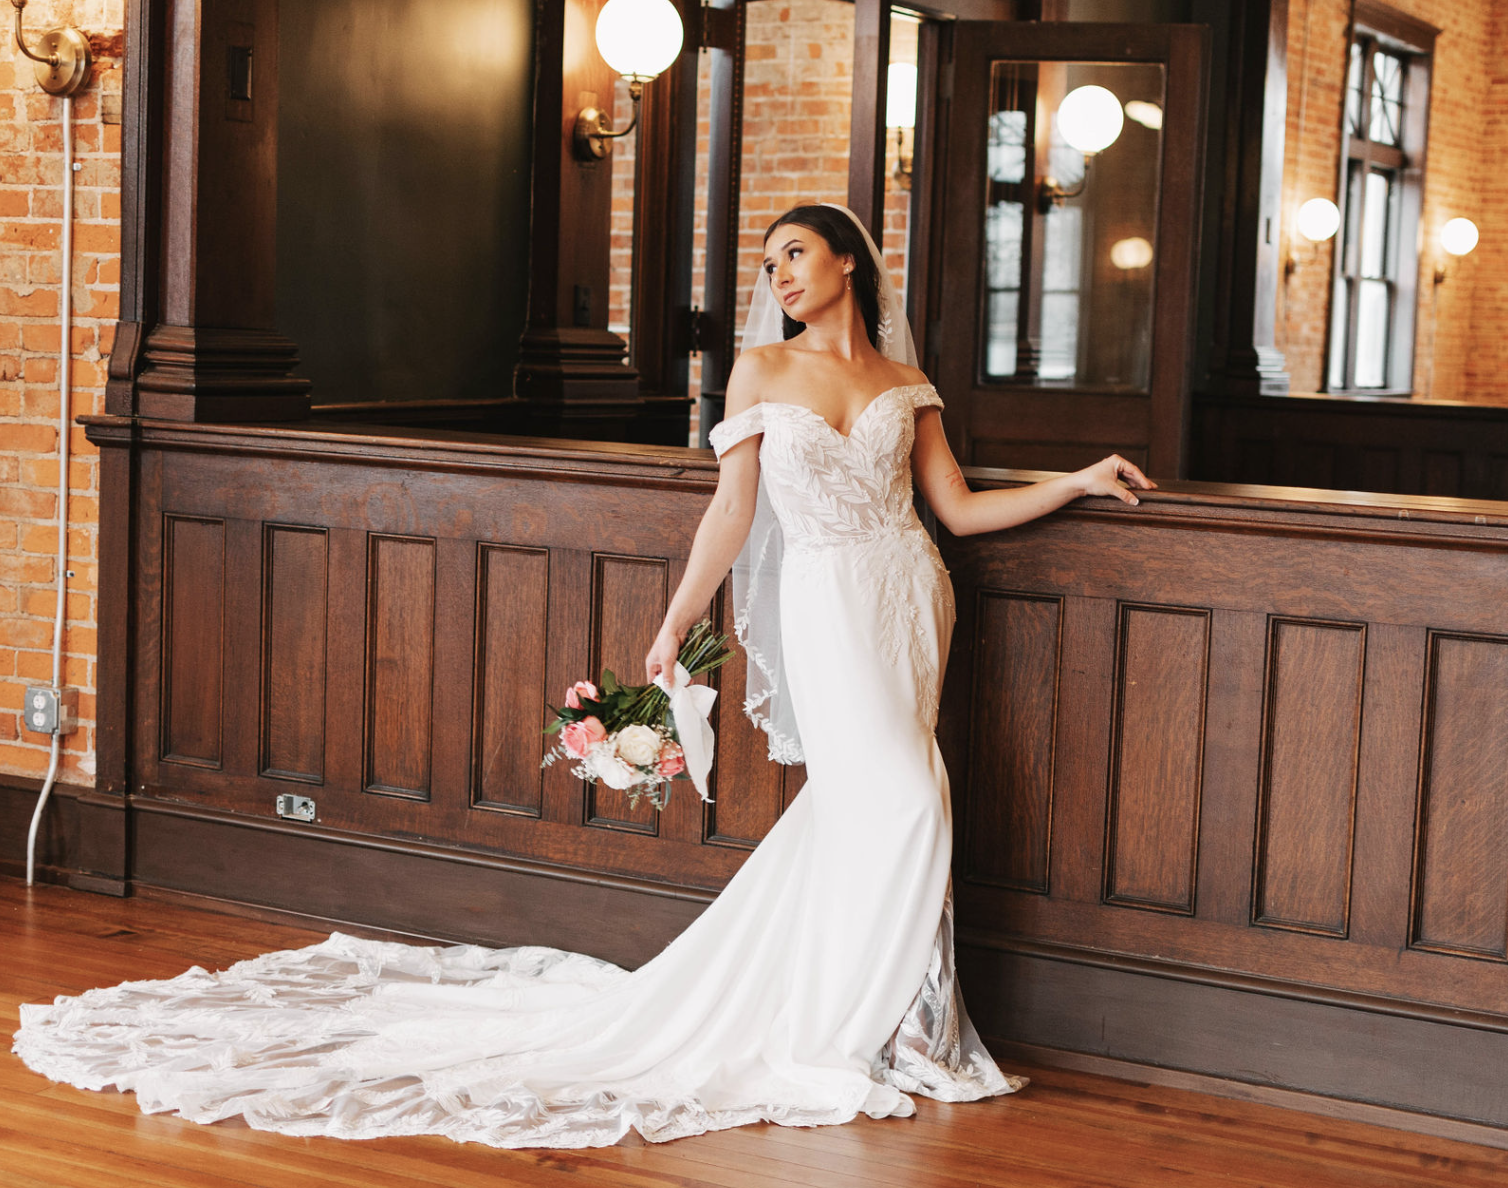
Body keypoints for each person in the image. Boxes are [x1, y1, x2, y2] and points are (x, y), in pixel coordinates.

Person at [12, 204, 1151, 1150]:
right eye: (766, 266)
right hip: (826, 604)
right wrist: (674, 625)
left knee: (869, 809)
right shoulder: (759, 368)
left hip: (910, 595)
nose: (779, 278)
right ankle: (848, 1021)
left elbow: (952, 510)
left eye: (794, 255)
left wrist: (1077, 480)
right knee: (907, 798)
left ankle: (900, 1018)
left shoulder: (907, 379)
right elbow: (731, 512)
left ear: (846, 256)